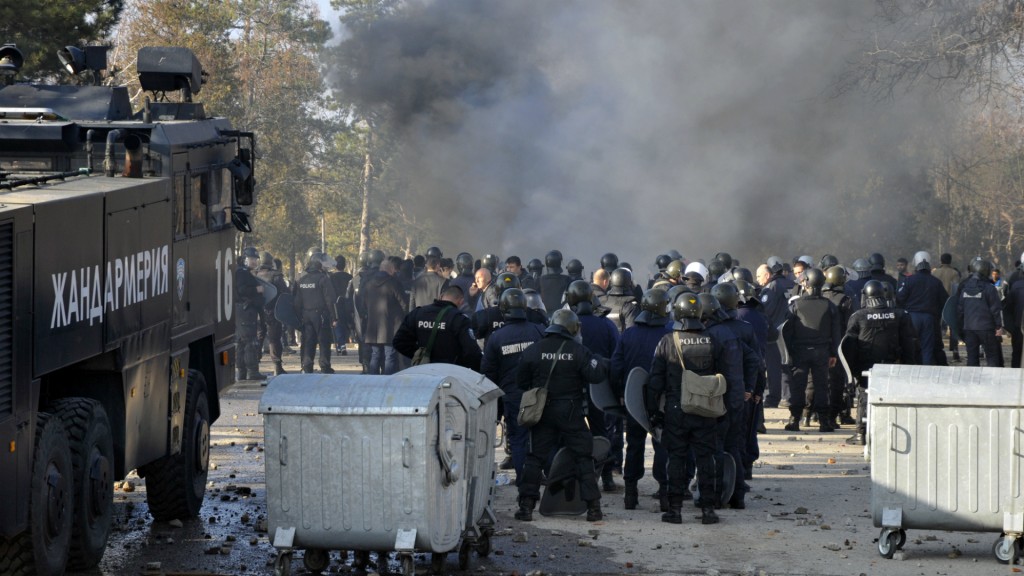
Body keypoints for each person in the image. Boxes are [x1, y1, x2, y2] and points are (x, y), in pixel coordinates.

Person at [648, 292, 742, 525]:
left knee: (677, 459)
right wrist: (726, 410)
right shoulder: (713, 340)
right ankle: (708, 510)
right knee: (706, 459)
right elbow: (727, 377)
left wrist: (653, 412)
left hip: (676, 410)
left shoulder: (668, 341)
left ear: (677, 313)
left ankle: (675, 510)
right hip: (706, 410)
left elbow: (654, 381)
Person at [515, 309, 610, 523]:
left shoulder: (534, 350)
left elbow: (521, 381)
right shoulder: (579, 350)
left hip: (543, 411)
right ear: (572, 328)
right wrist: (599, 360)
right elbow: (595, 376)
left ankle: (526, 507)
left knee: (535, 458)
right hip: (571, 411)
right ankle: (594, 509)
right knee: (584, 458)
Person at [610, 288, 672, 510]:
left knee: (634, 444)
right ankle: (665, 494)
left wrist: (619, 394)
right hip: (662, 401)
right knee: (662, 444)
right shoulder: (670, 335)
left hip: (634, 399)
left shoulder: (628, 335)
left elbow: (616, 368)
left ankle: (630, 494)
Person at [481, 289, 546, 478]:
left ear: (503, 309)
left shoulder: (496, 338)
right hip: (539, 396)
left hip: (513, 397)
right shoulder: (539, 331)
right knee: (543, 437)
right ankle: (548, 478)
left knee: (518, 440)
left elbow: (488, 373)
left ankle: (524, 481)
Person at [844, 280, 917, 444]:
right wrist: (908, 367)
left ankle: (861, 434)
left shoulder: (857, 317)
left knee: (864, 396)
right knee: (892, 399)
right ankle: (890, 433)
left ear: (866, 295)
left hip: (866, 367)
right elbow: (909, 343)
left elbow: (849, 346)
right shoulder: (900, 315)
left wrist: (853, 372)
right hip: (892, 366)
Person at [565, 280, 621, 492]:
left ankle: (574, 478)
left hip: (572, 389)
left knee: (572, 434)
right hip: (600, 389)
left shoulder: (566, 324)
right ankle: (606, 478)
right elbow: (616, 358)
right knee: (602, 434)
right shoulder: (606, 325)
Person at [781, 268, 841, 432]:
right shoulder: (830, 306)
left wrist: (790, 353)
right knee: (822, 386)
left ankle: (794, 420)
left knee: (798, 386)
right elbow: (836, 332)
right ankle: (824, 422)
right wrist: (833, 353)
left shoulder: (795, 305)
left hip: (800, 351)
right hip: (822, 352)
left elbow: (787, 331)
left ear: (806, 282)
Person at [392, 285, 482, 370]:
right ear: (461, 302)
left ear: (441, 296)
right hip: (449, 372)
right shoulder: (459, 319)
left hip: (423, 371)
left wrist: (419, 355)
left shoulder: (417, 314)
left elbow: (399, 342)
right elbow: (471, 352)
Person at [896, 251, 948, 365]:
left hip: (912, 318)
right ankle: (925, 373)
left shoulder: (908, 280)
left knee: (911, 347)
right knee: (927, 348)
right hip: (929, 318)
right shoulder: (936, 282)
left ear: (916, 266)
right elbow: (945, 300)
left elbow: (899, 298)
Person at [293, 253, 339, 374]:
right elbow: (330, 299)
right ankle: (325, 366)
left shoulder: (301, 280)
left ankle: (307, 365)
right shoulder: (323, 279)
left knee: (308, 340)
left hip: (306, 315)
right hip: (321, 315)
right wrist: (334, 317)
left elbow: (297, 302)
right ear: (319, 265)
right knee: (324, 341)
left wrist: (298, 318)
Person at [821, 265, 854, 430]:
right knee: (837, 383)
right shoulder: (845, 300)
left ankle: (818, 414)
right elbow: (850, 325)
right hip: (839, 346)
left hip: (820, 345)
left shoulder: (819, 297)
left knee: (820, 382)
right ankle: (834, 416)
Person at [362, 258, 407, 375]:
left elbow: (364, 303)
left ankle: (373, 380)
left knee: (375, 355)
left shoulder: (368, 284)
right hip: (391, 326)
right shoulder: (393, 283)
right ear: (391, 270)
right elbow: (404, 303)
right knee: (390, 356)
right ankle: (387, 381)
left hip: (373, 326)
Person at [956, 258, 1004, 367]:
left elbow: (960, 311)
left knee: (972, 358)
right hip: (986, 328)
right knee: (992, 357)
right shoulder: (989, 289)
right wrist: (998, 326)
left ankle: (972, 382)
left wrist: (960, 329)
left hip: (969, 328)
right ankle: (993, 381)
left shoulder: (965, 288)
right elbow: (996, 309)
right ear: (986, 271)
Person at [255, 251, 289, 375]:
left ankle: (254, 365)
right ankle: (277, 367)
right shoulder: (276, 276)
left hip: (258, 312)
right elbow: (285, 293)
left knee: (258, 338)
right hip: (273, 312)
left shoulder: (254, 275)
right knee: (274, 339)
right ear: (270, 262)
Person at [235, 247, 265, 381]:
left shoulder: (241, 272)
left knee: (241, 342)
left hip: (241, 311)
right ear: (245, 259)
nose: (254, 262)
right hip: (246, 311)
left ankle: (241, 372)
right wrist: (257, 289)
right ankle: (252, 372)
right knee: (250, 342)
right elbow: (242, 290)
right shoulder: (242, 273)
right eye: (252, 259)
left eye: (255, 259)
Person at [601, 268, 640, 333]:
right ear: (629, 283)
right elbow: (631, 333)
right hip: (621, 342)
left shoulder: (602, 302)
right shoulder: (630, 306)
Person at [329, 255, 353, 356]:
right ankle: (346, 341)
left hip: (336, 304)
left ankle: (341, 344)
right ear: (345, 265)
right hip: (348, 303)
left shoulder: (331, 277)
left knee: (337, 324)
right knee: (346, 324)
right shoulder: (350, 277)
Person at [538, 250, 572, 315]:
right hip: (562, 315)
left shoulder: (540, 280)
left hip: (544, 315)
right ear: (559, 263)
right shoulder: (567, 280)